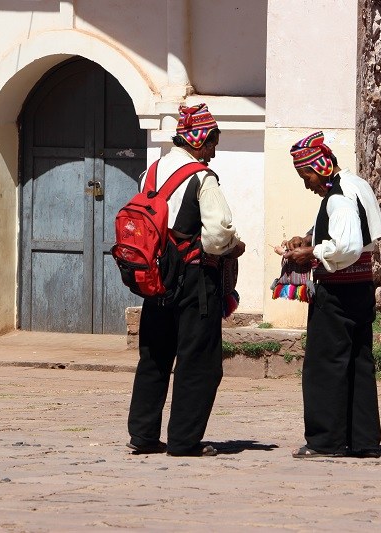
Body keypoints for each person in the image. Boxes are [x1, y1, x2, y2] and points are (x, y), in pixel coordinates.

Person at [127, 103, 245, 457]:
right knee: (199, 361)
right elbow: (216, 234)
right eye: (212, 143)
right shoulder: (201, 177)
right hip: (194, 280)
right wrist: (232, 247)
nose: (213, 152)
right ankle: (183, 439)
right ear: (200, 139)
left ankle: (144, 435)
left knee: (154, 356)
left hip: (155, 278)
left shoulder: (150, 172)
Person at [281, 131, 381, 459]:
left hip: (338, 291)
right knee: (357, 360)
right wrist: (310, 236)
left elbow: (348, 244)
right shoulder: (357, 185)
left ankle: (325, 441)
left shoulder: (338, 195)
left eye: (306, 175)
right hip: (360, 288)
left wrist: (311, 252)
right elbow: (352, 231)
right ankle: (362, 439)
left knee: (325, 363)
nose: (306, 183)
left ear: (321, 168)